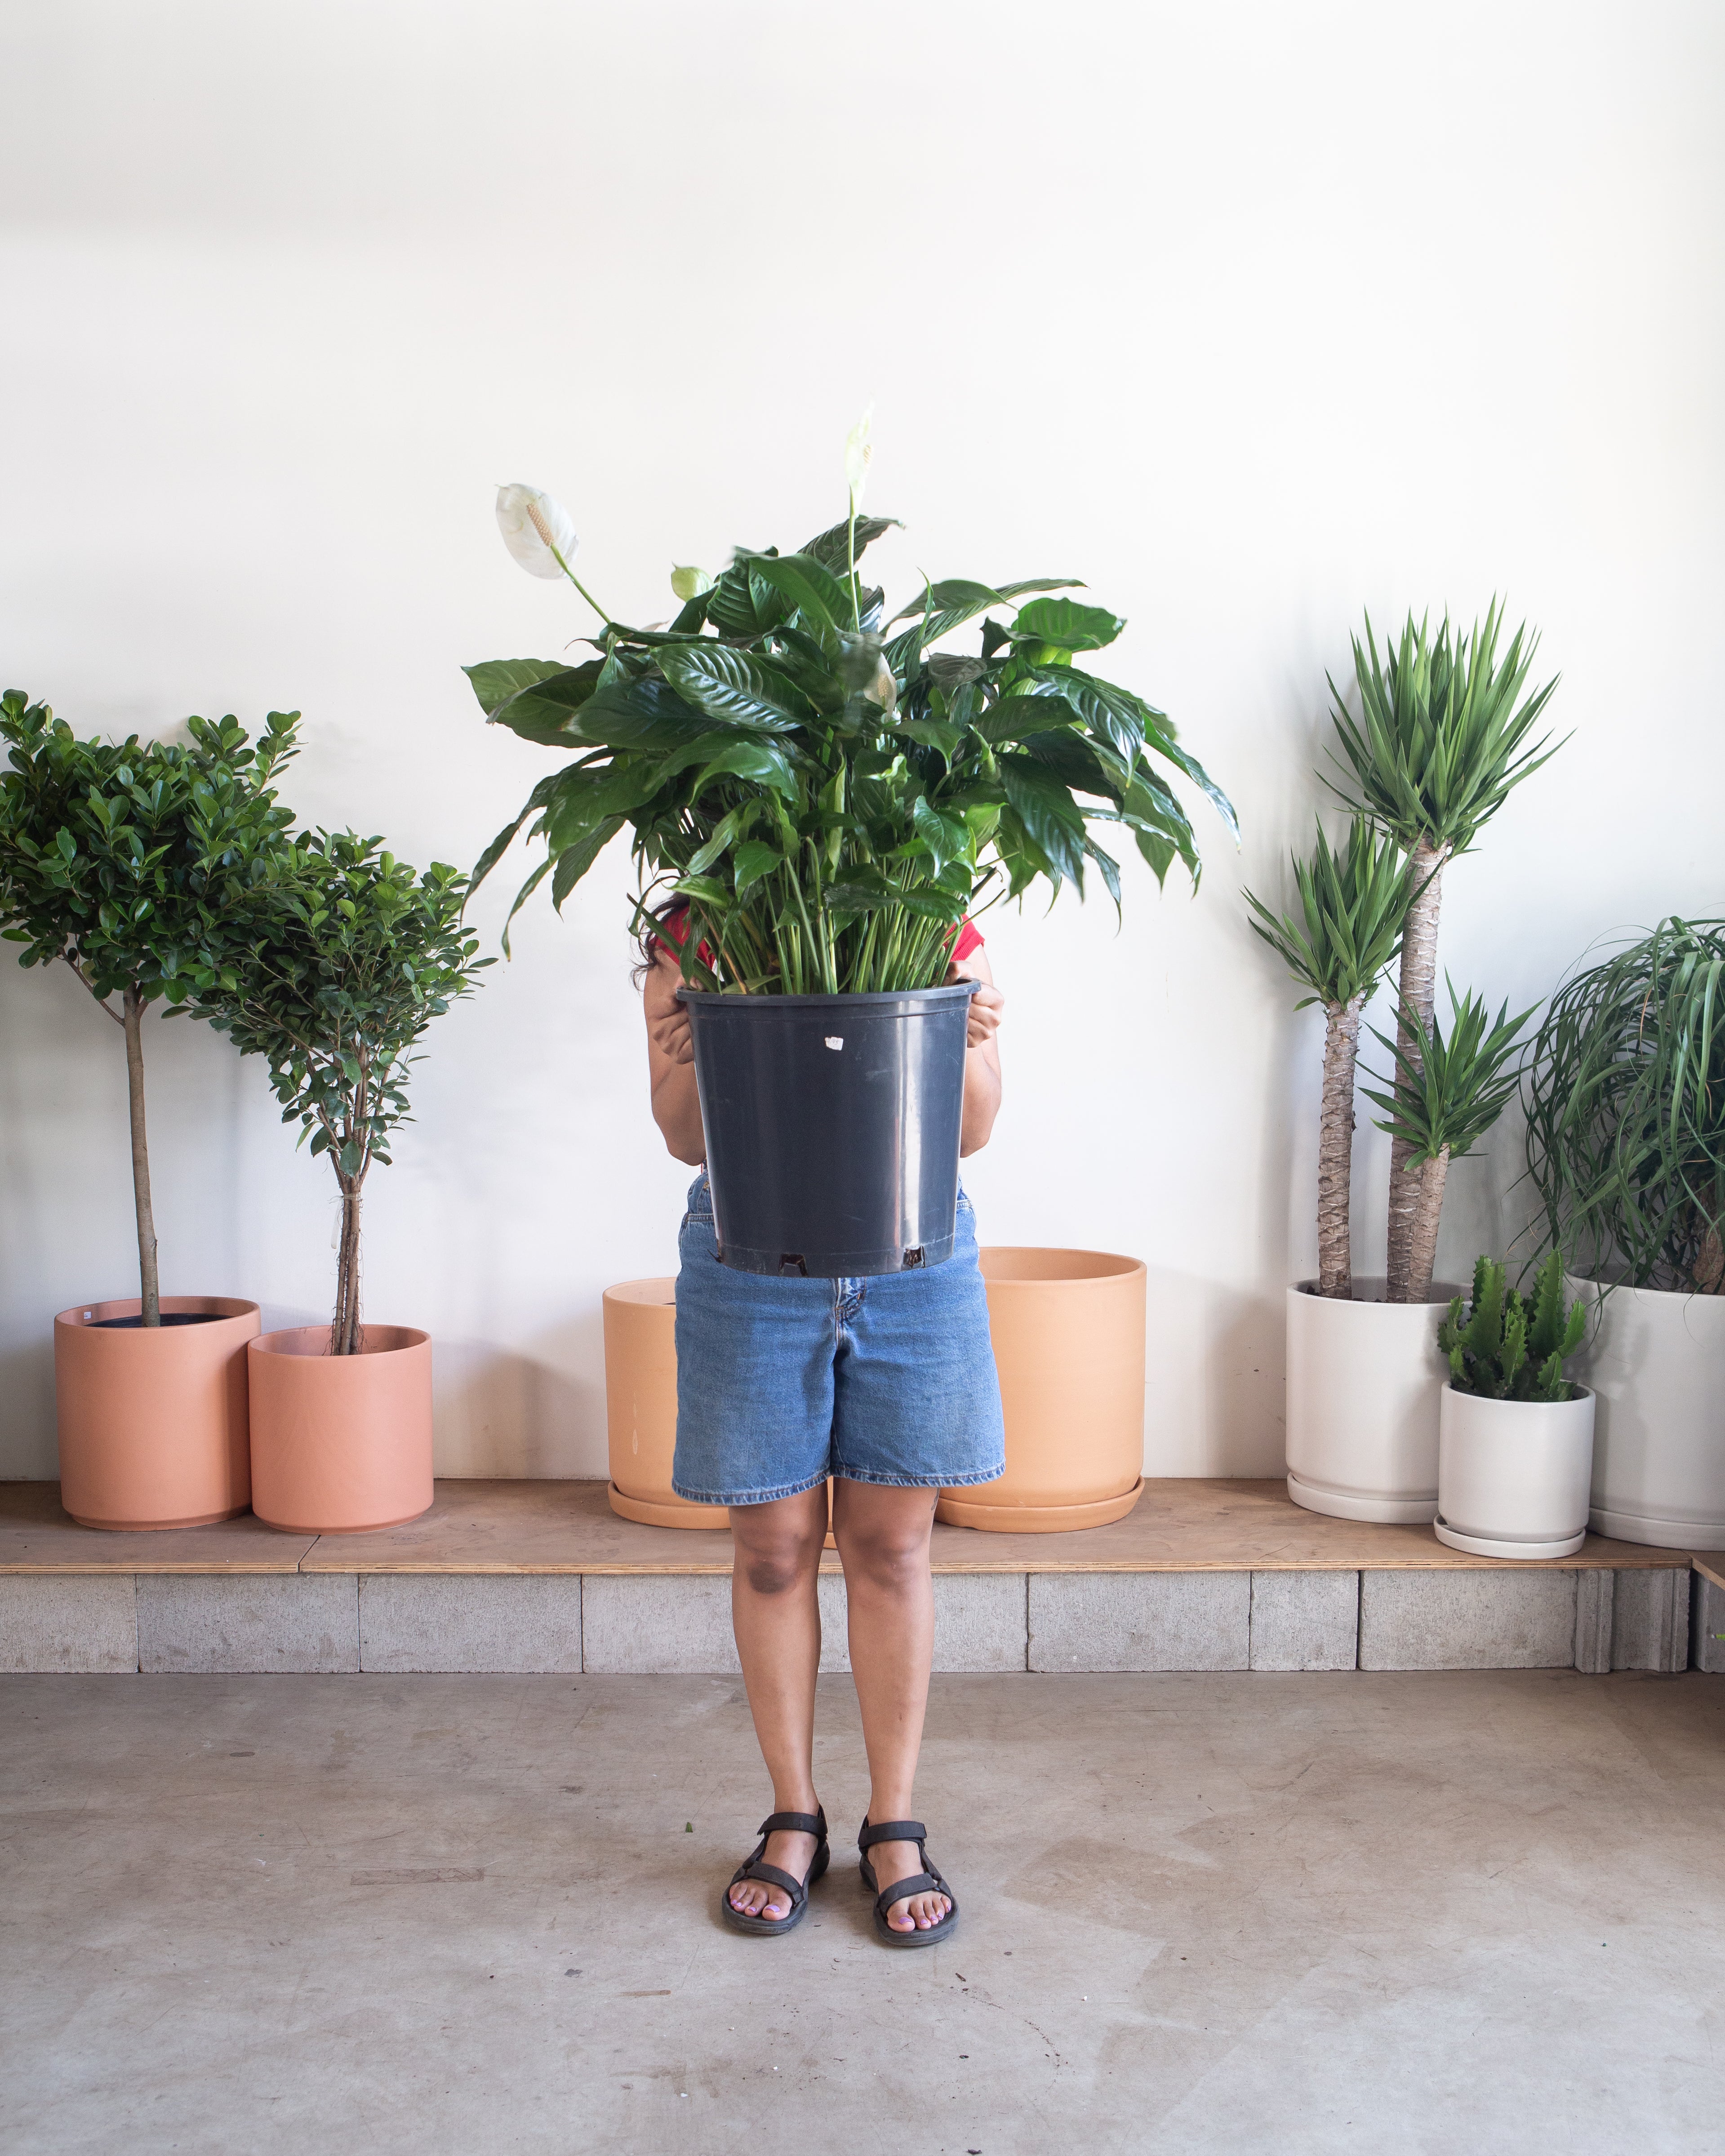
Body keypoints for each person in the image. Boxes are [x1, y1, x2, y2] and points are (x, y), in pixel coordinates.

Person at [641, 910, 1006, 1945]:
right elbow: (680, 1133)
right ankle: (792, 1812)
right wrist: (693, 1048)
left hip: (912, 1247)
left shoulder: (927, 910)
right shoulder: (691, 931)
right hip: (747, 1253)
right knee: (770, 1551)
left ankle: (893, 1820)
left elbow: (972, 1128)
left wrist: (969, 1037)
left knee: (893, 1544)